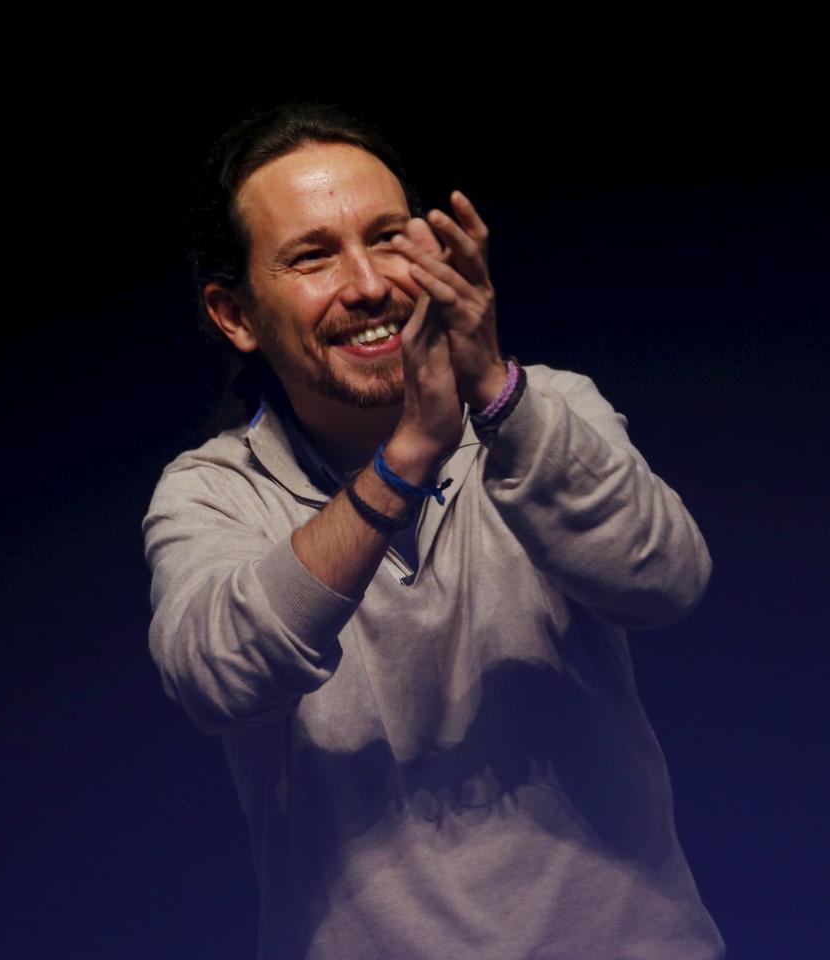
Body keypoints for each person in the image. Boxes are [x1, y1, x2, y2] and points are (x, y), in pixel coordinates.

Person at [143, 102, 726, 960]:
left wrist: (494, 393)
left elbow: (668, 581)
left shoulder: (549, 407)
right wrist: (408, 455)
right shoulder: (212, 491)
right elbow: (217, 679)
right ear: (235, 315)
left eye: (388, 238)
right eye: (313, 256)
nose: (368, 284)